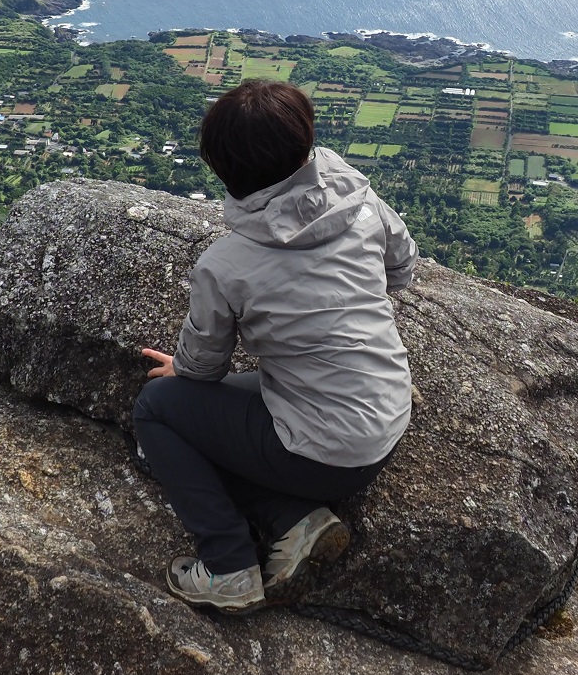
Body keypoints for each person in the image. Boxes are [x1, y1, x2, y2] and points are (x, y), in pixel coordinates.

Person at [132, 79, 416, 613]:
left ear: (224, 168)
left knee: (158, 411)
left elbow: (203, 367)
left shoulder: (227, 262)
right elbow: (401, 269)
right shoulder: (360, 200)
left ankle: (228, 567)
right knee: (234, 415)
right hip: (386, 418)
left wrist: (182, 373)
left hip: (324, 452)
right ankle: (294, 519)